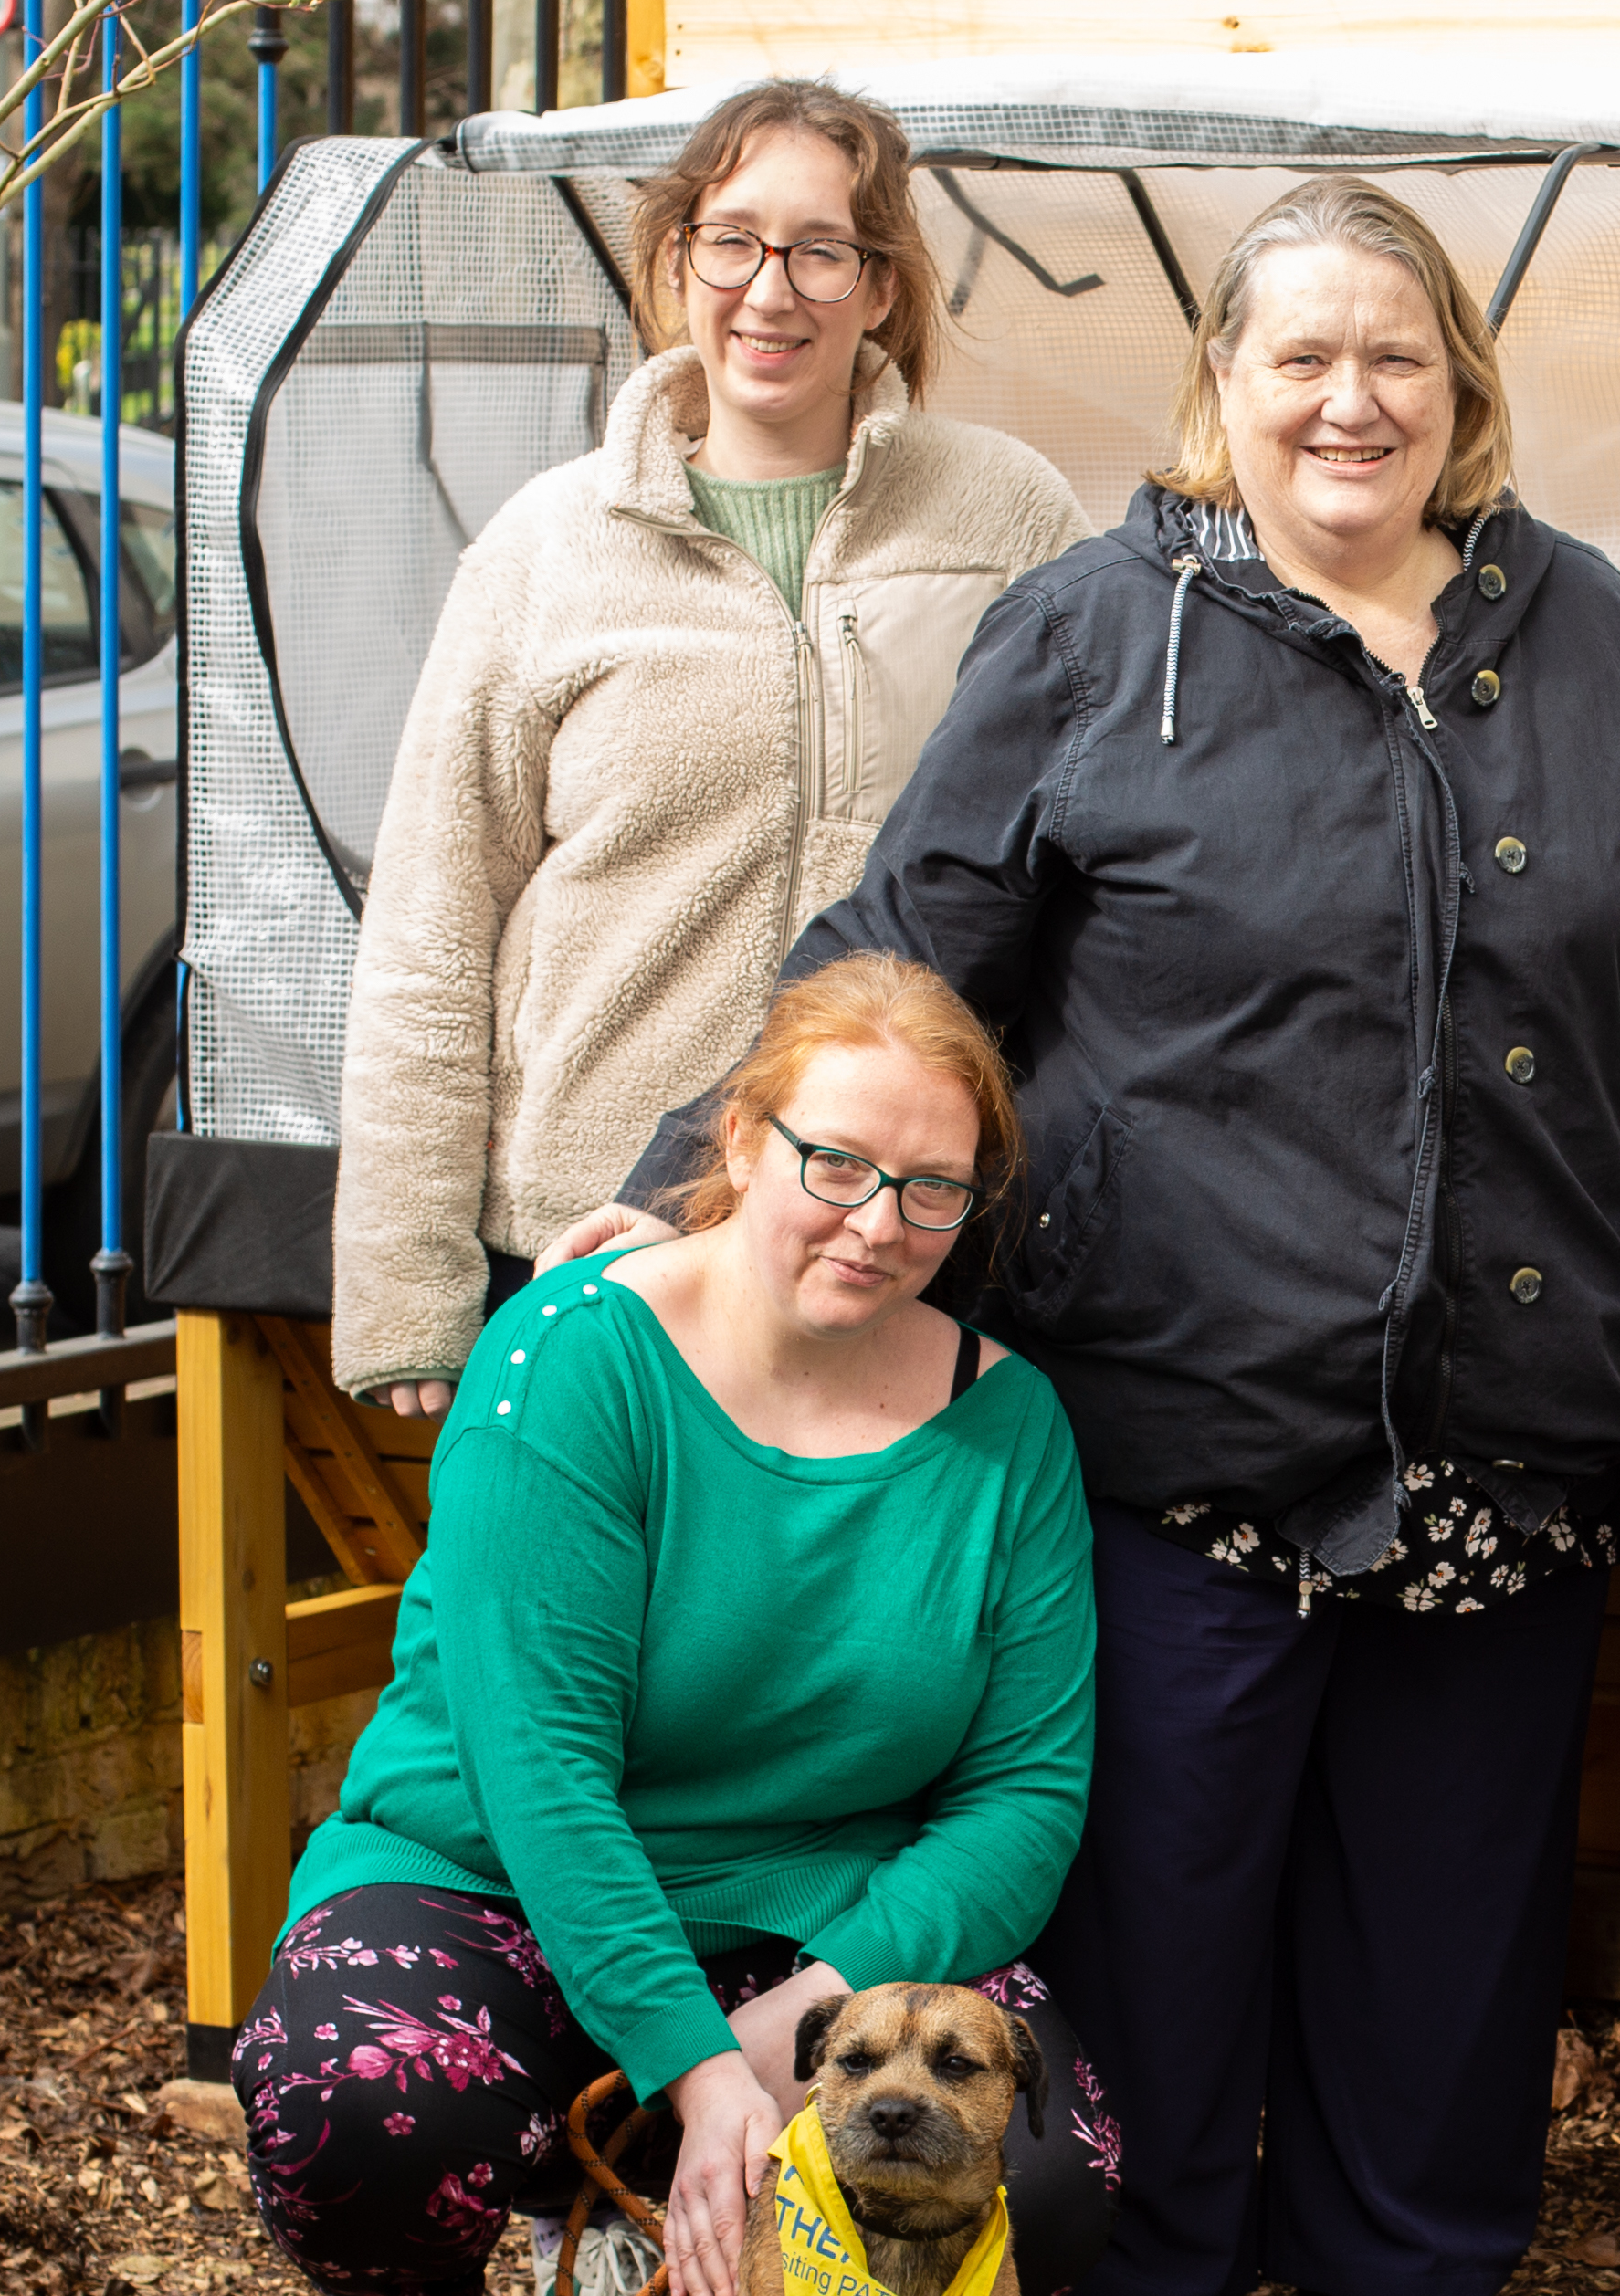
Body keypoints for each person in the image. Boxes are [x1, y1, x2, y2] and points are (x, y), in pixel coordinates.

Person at [546, 175, 1620, 2296]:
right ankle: (1121, 2289)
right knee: (1166, 1875)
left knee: (1451, 1860)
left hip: (1506, 1391)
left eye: (1396, 356)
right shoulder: (1105, 631)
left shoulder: (1568, 621)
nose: (1349, 399)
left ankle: (1406, 2268)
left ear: (1462, 393)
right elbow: (912, 933)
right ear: (1221, 389)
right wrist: (721, 1157)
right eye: (1299, 355)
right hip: (1187, 1394)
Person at [238, 956, 1119, 2296]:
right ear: (741, 1138)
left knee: (1057, 2173)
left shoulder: (1010, 1428)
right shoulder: (568, 1355)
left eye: (931, 1190)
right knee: (357, 2105)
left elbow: (1024, 1799)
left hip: (802, 1918)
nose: (875, 1220)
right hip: (493, 1880)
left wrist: (798, 2025)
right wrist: (704, 2075)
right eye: (834, 1163)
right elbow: (544, 1772)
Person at [327, 76, 1088, 1419]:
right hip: (597, 1234)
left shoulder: (1009, 516)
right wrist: (407, 1293)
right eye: (728, 241)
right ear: (675, 262)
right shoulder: (545, 549)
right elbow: (432, 930)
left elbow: (1080, 870)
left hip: (901, 1244)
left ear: (884, 287)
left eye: (821, 249)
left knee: (871, 1631)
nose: (770, 290)